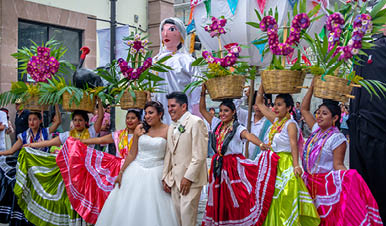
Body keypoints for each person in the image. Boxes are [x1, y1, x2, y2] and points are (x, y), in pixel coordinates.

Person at [300, 81, 382, 225]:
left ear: (335, 118)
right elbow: (304, 109)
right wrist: (312, 86)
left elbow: (338, 165)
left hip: (325, 186)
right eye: (318, 113)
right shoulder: (315, 130)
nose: (319, 116)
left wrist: (350, 180)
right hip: (308, 183)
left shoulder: (337, 138)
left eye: (324, 114)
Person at [14, 100, 104, 225]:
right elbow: (48, 143)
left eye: (80, 120)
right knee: (69, 201)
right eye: (75, 120)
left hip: (87, 174)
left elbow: (101, 116)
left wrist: (98, 100)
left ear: (86, 122)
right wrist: (31, 145)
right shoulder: (67, 135)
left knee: (85, 201)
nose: (77, 123)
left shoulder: (92, 132)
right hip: (70, 174)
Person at [200, 86, 279, 226]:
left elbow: (248, 136)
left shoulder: (237, 127)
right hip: (218, 165)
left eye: (226, 111)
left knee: (233, 199)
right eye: (221, 111)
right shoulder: (217, 124)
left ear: (234, 112)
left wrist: (261, 144)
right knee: (218, 198)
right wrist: (202, 93)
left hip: (232, 169)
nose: (223, 114)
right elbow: (202, 110)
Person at [96, 101, 179, 226]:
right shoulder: (140, 129)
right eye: (146, 113)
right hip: (135, 170)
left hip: (157, 172)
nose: (147, 116)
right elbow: (132, 154)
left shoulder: (169, 130)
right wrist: (121, 172)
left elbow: (173, 156)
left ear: (160, 114)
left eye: (151, 113)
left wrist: (169, 176)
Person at [53, 109, 142, 224]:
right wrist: (82, 141)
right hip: (118, 170)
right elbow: (99, 139)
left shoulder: (142, 135)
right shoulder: (119, 134)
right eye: (127, 118)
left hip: (135, 168)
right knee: (117, 199)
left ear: (139, 120)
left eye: (133, 118)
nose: (129, 121)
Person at [256, 83, 320, 226]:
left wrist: (296, 166)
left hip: (285, 164)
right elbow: (259, 103)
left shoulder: (290, 124)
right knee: (271, 199)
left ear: (289, 108)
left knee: (284, 198)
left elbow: (293, 145)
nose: (275, 108)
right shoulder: (277, 120)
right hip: (272, 163)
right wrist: (263, 84)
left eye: (279, 105)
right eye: (274, 104)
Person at [350, 18, 386, 224]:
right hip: (358, 128)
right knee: (362, 192)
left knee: (382, 192)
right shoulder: (366, 47)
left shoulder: (383, 48)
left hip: (380, 132)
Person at [0, 106, 61, 225]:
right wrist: (0, 152)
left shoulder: (45, 132)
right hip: (29, 170)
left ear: (40, 121)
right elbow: (11, 151)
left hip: (43, 170)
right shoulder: (23, 136)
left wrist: (56, 105)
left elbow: (58, 121)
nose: (31, 122)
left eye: (34, 119)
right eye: (29, 120)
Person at [161, 92, 208, 226]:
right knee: (178, 220)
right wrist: (165, 176)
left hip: (191, 181)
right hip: (175, 180)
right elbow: (169, 154)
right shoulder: (172, 126)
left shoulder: (196, 122)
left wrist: (188, 178)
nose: (170, 110)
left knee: (188, 220)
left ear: (183, 106)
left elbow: (200, 155)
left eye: (173, 106)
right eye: (168, 107)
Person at [152, 17, 202, 124]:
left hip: (183, 114)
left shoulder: (188, 61)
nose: (165, 34)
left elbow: (197, 87)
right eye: (163, 30)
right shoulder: (155, 61)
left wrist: (196, 111)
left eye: (171, 30)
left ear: (181, 34)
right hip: (160, 114)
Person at [235, 90, 272, 160]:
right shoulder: (247, 116)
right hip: (245, 156)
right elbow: (234, 108)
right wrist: (245, 95)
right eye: (256, 105)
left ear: (266, 107)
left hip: (260, 158)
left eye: (261, 105)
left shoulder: (268, 122)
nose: (258, 108)